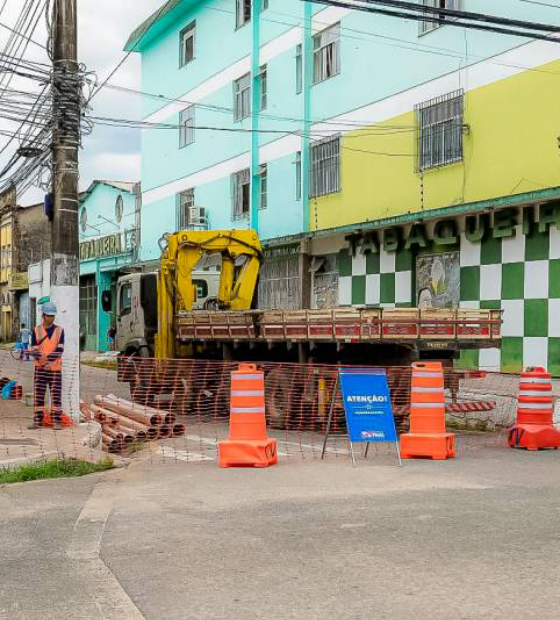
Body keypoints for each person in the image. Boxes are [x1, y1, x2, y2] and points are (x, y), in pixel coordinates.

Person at [29, 302, 65, 430]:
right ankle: (37, 420)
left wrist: (48, 359)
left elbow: (60, 349)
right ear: (43, 315)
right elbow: (33, 348)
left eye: (53, 316)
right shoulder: (36, 330)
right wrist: (41, 359)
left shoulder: (60, 330)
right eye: (48, 315)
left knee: (56, 395)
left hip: (55, 369)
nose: (51, 318)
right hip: (40, 369)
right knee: (39, 395)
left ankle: (57, 421)